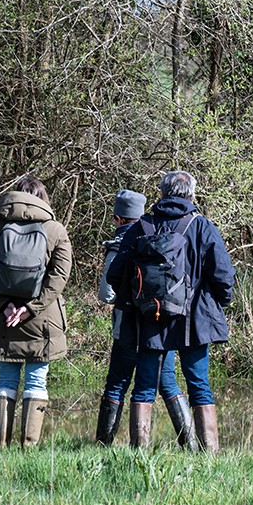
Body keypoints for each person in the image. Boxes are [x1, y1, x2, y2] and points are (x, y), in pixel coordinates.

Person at [106, 171, 235, 451]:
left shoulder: (141, 227)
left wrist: (137, 304)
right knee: (199, 387)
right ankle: (209, 455)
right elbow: (223, 275)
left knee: (144, 388)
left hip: (149, 321)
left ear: (162, 193)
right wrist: (216, 306)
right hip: (195, 323)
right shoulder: (203, 227)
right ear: (191, 195)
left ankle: (139, 452)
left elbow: (116, 275)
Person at [0, 174, 74, 448]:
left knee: (6, 377)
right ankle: (28, 447)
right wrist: (31, 308)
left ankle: (0, 446)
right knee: (36, 379)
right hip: (42, 320)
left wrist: (3, 304)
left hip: (4, 318)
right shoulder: (55, 228)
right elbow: (59, 277)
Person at [95, 189, 147, 445]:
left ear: (118, 218)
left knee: (117, 383)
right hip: (157, 325)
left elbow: (106, 294)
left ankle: (104, 444)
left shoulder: (119, 244)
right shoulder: (157, 236)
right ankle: (191, 445)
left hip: (126, 323)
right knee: (164, 384)